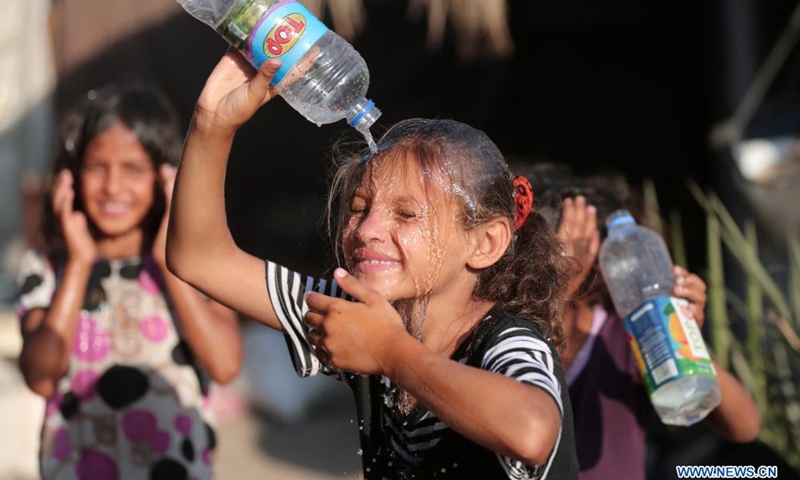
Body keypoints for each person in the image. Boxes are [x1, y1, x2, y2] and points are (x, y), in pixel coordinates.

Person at [167, 51, 579, 480]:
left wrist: (389, 353)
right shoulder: (363, 316)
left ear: (486, 243)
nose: (367, 230)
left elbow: (532, 433)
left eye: (406, 214)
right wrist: (212, 126)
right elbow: (199, 259)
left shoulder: (505, 343)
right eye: (360, 208)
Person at [15, 85, 243, 480]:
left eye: (133, 168)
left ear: (165, 177)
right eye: (97, 167)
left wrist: (170, 260)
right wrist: (79, 265)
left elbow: (224, 365)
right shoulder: (48, 267)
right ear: (70, 177)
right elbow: (40, 376)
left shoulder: (197, 265)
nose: (113, 187)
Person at [528, 167, 761, 480]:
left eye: (564, 252)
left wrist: (685, 338)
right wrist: (557, 294)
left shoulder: (627, 334)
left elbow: (743, 427)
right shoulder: (514, 330)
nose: (552, 264)